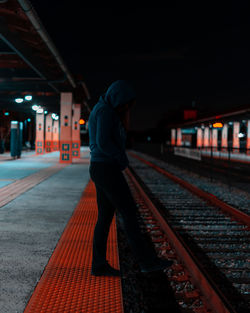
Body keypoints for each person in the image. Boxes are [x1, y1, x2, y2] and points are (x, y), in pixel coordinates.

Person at [88, 80, 173, 276]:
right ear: (118, 98)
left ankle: (99, 264)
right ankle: (146, 262)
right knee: (130, 213)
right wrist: (120, 159)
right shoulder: (105, 111)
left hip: (100, 168)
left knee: (106, 217)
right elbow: (103, 143)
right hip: (107, 169)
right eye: (125, 103)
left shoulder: (103, 109)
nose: (126, 108)